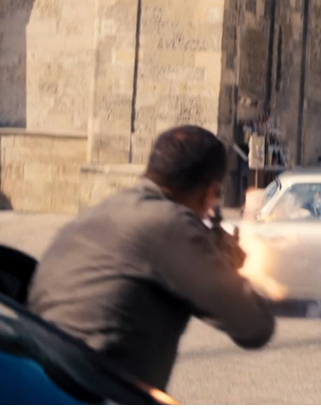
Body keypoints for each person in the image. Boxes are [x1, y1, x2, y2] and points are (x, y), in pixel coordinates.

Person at [28, 125, 275, 391]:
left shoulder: (105, 210)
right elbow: (254, 326)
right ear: (208, 193)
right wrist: (224, 265)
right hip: (94, 393)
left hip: (41, 379)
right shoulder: (169, 223)